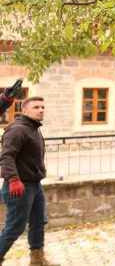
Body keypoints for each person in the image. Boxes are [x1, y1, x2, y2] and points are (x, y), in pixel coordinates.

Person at [0, 96, 58, 265]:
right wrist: (13, 180)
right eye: (36, 107)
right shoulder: (17, 130)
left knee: (38, 222)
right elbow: (6, 157)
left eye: (42, 107)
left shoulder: (33, 128)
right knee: (15, 227)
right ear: (24, 110)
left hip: (34, 185)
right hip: (19, 187)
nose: (41, 110)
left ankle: (37, 260)